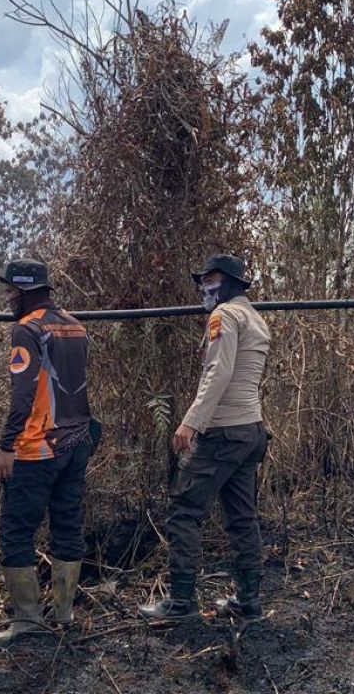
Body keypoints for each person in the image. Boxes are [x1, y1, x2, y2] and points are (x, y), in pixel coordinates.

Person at [139, 254, 271, 622]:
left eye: (210, 280)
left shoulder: (224, 316)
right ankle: (249, 602)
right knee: (242, 519)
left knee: (184, 512)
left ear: (228, 283)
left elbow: (218, 372)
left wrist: (191, 422)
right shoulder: (256, 319)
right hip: (251, 431)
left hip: (223, 432)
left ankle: (181, 603)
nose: (203, 288)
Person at [0, 259, 93, 645]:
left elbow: (23, 395)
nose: (7, 298)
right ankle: (64, 614)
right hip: (77, 442)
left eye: (11, 291)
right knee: (67, 525)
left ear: (28, 291)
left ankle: (28, 621)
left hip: (37, 448)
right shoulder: (75, 325)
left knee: (16, 532)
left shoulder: (26, 329)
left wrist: (6, 446)